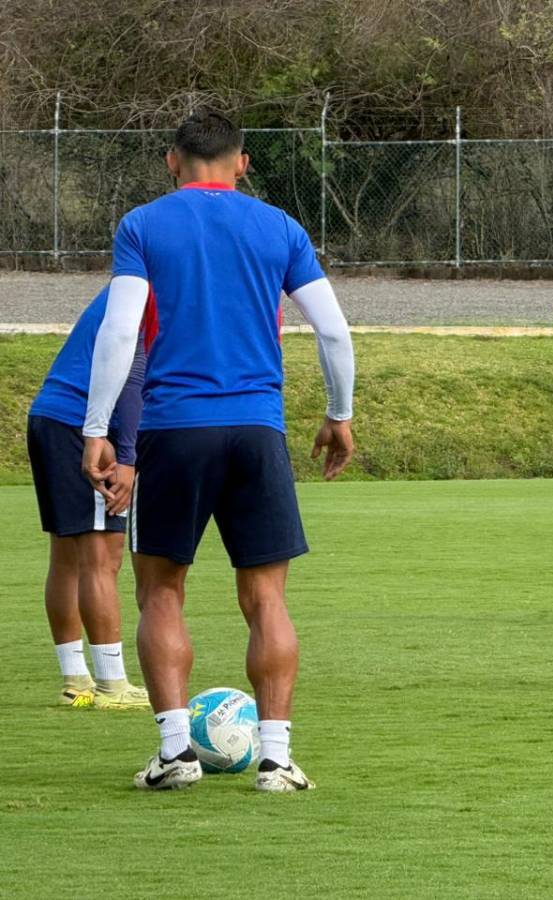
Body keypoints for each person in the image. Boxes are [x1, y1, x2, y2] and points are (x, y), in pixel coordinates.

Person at [81, 111, 356, 791]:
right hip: (258, 429)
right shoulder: (281, 228)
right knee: (266, 598)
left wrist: (97, 430)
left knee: (160, 592)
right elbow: (334, 332)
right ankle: (276, 759)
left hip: (173, 429)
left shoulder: (143, 225)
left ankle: (176, 753)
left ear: (172, 161)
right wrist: (340, 414)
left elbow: (119, 334)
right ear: (243, 163)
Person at [27, 287, 150, 710]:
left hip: (49, 416)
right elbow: (133, 376)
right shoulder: (157, 289)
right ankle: (112, 685)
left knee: (66, 556)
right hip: (80, 426)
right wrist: (129, 457)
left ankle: (75, 679)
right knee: (102, 556)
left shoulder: (126, 284)